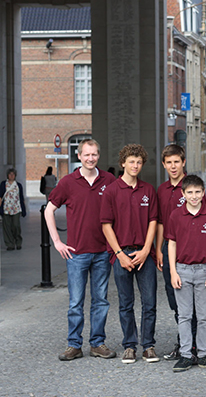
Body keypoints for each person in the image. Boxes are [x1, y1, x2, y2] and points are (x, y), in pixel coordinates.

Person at [45, 139, 117, 361]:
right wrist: (57, 241)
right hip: (76, 253)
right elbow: (49, 210)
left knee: (101, 300)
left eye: (94, 154)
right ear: (79, 155)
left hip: (103, 252)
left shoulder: (109, 180)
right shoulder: (68, 182)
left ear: (98, 156)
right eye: (86, 155)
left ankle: (97, 343)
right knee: (76, 302)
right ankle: (74, 345)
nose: (90, 158)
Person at [100, 144, 159, 364]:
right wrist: (119, 254)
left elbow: (154, 221)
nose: (135, 165)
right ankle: (130, 345)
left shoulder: (148, 190)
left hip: (145, 255)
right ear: (123, 163)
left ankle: (149, 345)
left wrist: (146, 250)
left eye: (139, 162)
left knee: (149, 302)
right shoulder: (111, 191)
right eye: (131, 161)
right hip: (121, 253)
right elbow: (106, 225)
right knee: (126, 303)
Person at [167, 175, 206, 372]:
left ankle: (204, 354)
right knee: (185, 315)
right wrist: (173, 271)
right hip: (182, 269)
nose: (194, 196)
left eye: (198, 192)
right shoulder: (176, 215)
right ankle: (186, 354)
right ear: (183, 194)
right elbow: (171, 243)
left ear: (203, 192)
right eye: (190, 192)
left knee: (204, 315)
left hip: (204, 269)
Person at [154, 145, 192, 360]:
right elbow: (160, 222)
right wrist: (159, 249)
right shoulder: (162, 190)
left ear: (183, 162)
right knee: (174, 295)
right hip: (169, 247)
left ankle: (193, 343)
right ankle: (183, 341)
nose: (173, 166)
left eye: (176, 161)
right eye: (169, 162)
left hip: (189, 248)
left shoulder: (191, 186)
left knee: (191, 295)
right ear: (164, 165)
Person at [0, 168, 26, 251]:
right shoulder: (3, 184)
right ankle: (10, 244)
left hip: (16, 208)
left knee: (16, 226)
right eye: (10, 174)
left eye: (13, 174)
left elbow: (21, 198)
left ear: (15, 176)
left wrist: (23, 209)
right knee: (7, 227)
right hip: (6, 208)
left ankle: (18, 241)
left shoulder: (18, 185)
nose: (11, 176)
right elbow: (0, 196)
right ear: (7, 175)